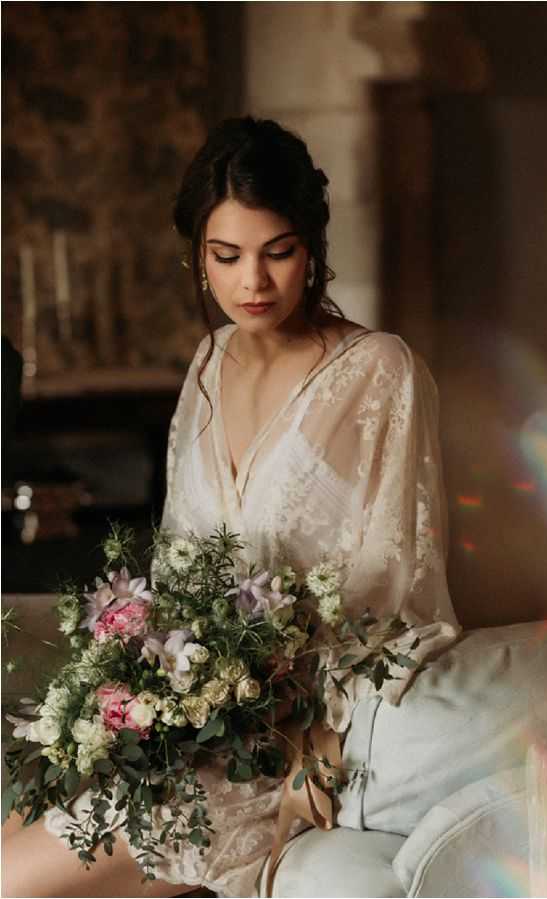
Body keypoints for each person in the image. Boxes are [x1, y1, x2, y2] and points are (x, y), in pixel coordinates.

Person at [2, 117, 460, 898]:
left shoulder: (379, 372)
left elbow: (397, 588)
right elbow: (181, 563)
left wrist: (317, 746)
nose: (254, 281)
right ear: (197, 256)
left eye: (278, 252)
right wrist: (130, 702)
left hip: (284, 742)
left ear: (311, 247)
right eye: (227, 256)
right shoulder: (208, 364)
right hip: (187, 723)